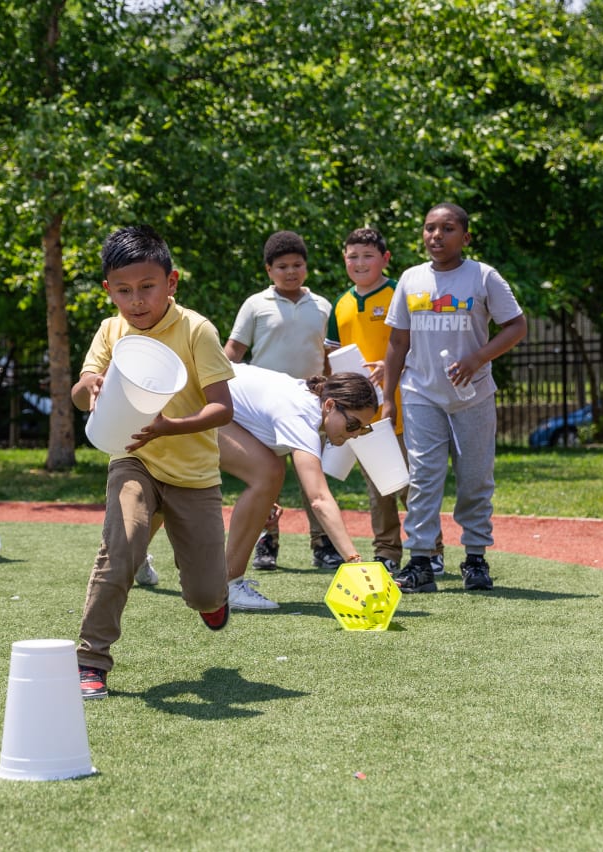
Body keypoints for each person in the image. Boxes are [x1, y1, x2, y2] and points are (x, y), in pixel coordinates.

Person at [74, 225, 235, 700]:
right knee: (120, 547)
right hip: (132, 457)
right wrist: (90, 387)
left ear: (171, 282)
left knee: (205, 592)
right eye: (123, 290)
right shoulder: (111, 330)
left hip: (193, 476)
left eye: (147, 287)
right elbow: (81, 393)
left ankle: (212, 600)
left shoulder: (197, 330)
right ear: (109, 290)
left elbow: (222, 408)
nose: (136, 300)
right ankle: (91, 660)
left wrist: (169, 426)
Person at [382, 203, 526, 593]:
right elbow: (397, 342)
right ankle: (421, 562)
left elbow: (516, 326)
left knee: (474, 478)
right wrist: (388, 397)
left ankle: (475, 559)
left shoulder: (483, 276)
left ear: (465, 237)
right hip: (420, 393)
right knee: (423, 477)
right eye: (430, 228)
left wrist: (478, 358)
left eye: (447, 228)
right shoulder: (411, 279)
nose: (436, 235)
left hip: (473, 395)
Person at [327, 227, 444, 577]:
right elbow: (331, 357)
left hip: (406, 409)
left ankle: (431, 550)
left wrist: (390, 365)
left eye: (368, 256)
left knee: (411, 484)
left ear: (385, 258)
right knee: (379, 487)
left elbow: (423, 343)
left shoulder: (400, 293)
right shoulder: (340, 304)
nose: (360, 263)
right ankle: (387, 552)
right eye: (353, 256)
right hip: (360, 416)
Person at [224, 230, 342, 571]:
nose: (291, 272)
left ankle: (323, 544)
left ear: (306, 266)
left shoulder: (322, 306)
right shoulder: (255, 305)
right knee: (267, 476)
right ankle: (266, 541)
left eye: (297, 265)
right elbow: (234, 351)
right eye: (282, 266)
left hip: (311, 407)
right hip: (264, 410)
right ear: (268, 270)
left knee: (313, 478)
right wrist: (215, 385)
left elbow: (329, 358)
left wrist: (335, 392)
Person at [221, 363, 378, 610]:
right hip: (192, 398)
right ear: (330, 405)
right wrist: (354, 560)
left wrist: (262, 501)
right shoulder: (302, 415)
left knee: (269, 472)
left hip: (198, 394)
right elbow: (319, 498)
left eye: (363, 428)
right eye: (353, 424)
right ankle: (227, 586)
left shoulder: (307, 406)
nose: (356, 434)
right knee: (267, 474)